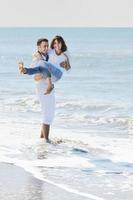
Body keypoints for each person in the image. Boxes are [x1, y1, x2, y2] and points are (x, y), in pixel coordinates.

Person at [18, 37, 70, 142]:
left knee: (43, 65)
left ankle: (25, 70)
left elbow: (59, 50)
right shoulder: (37, 59)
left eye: (47, 46)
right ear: (39, 47)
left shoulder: (48, 54)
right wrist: (43, 74)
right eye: (44, 46)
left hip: (55, 78)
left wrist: (66, 62)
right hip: (43, 88)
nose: (46, 48)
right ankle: (44, 140)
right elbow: (35, 78)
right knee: (47, 113)